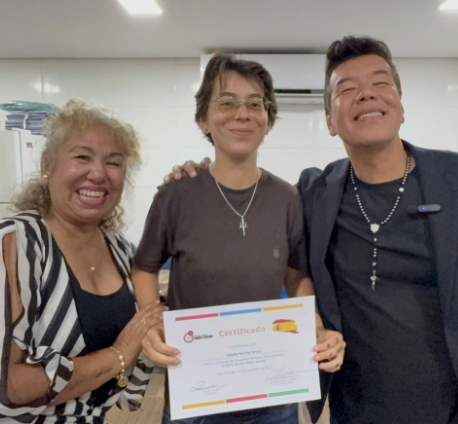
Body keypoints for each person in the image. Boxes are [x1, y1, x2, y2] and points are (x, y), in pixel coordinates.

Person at [167, 37, 458, 424]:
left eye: (380, 83)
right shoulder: (312, 193)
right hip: (358, 411)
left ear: (400, 106)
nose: (366, 93)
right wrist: (204, 181)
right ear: (330, 120)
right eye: (346, 89)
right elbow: (253, 234)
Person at [131, 53, 345, 424]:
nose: (242, 114)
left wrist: (315, 326)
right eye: (227, 103)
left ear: (268, 121)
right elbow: (144, 267)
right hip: (195, 393)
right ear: (203, 119)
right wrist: (150, 322)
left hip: (272, 391)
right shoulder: (176, 195)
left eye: (255, 104)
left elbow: (296, 275)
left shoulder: (287, 198)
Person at [0, 99, 165, 423]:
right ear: (47, 165)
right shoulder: (17, 244)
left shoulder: (122, 251)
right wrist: (119, 353)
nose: (99, 173)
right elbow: (8, 387)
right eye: (82, 157)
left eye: (114, 162)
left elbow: (127, 382)